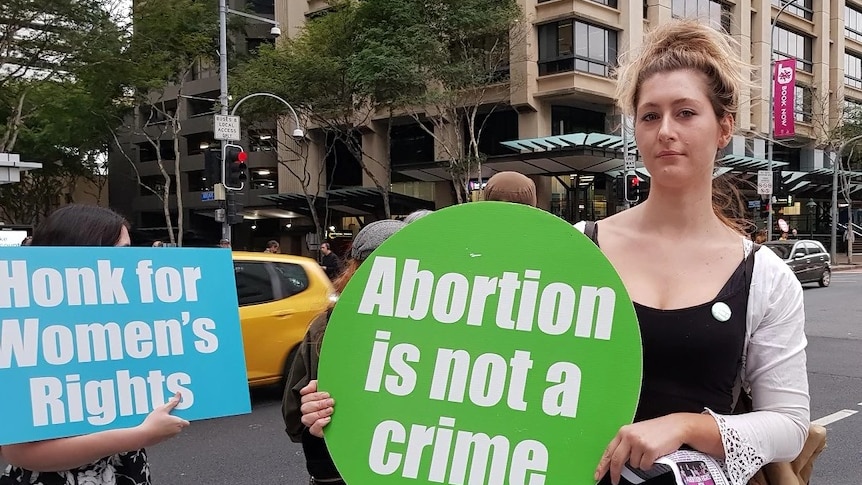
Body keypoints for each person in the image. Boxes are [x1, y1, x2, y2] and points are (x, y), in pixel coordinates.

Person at [300, 19, 810, 485]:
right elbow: (482, 369)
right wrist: (354, 398)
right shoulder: (575, 247)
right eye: (650, 115)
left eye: (686, 112)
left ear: (723, 127)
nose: (666, 131)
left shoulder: (764, 276)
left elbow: (788, 425)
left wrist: (686, 427)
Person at [0, 205, 190, 485]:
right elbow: (20, 453)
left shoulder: (122, 325)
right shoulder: (26, 333)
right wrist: (142, 435)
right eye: (120, 253)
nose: (131, 263)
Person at [282, 219, 406, 485]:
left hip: (339, 466)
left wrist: (311, 418)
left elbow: (293, 419)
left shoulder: (328, 326)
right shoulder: (448, 330)